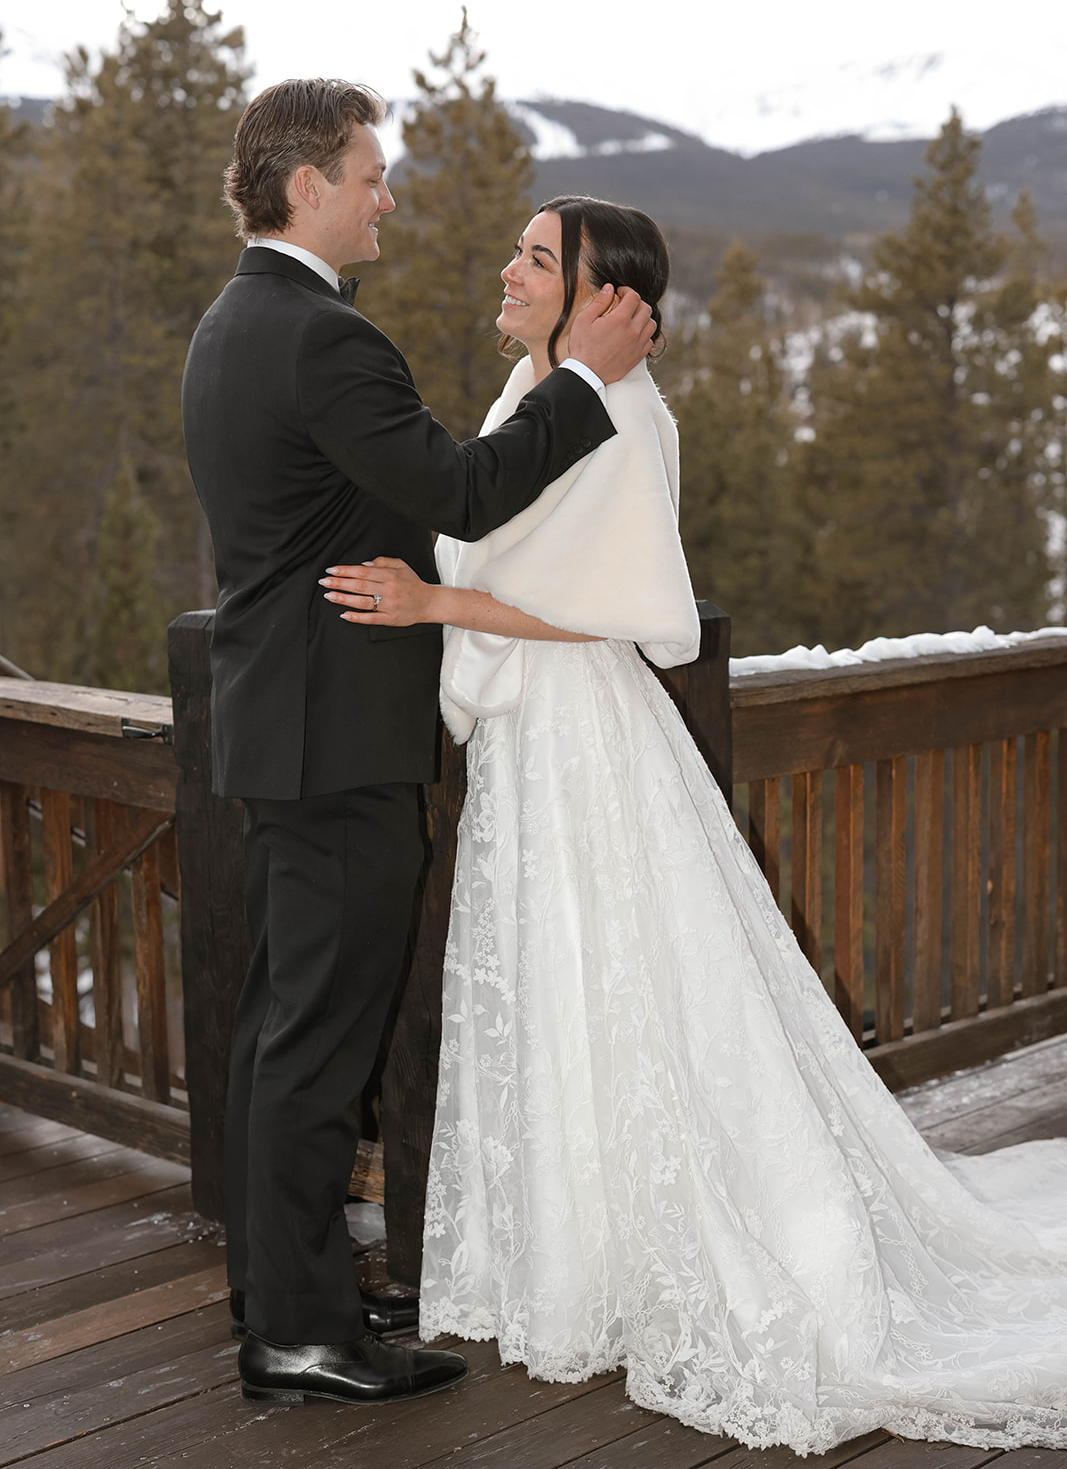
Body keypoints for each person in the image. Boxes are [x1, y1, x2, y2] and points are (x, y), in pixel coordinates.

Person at [320, 194, 1067, 1452]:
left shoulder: (620, 414)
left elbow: (607, 610)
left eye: (536, 258)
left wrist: (429, 600)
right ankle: (573, 1256)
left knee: (621, 986)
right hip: (529, 744)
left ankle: (698, 1251)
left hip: (583, 737)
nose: (507, 267)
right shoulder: (532, 396)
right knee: (562, 991)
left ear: (599, 296)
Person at [181, 87, 657, 1411]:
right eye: (370, 175)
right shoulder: (324, 337)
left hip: (286, 730)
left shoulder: (233, 323)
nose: (386, 196)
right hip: (338, 741)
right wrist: (583, 385)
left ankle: (291, 1294)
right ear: (305, 189)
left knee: (281, 1033)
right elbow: (456, 488)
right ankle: (300, 1332)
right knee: (315, 1046)